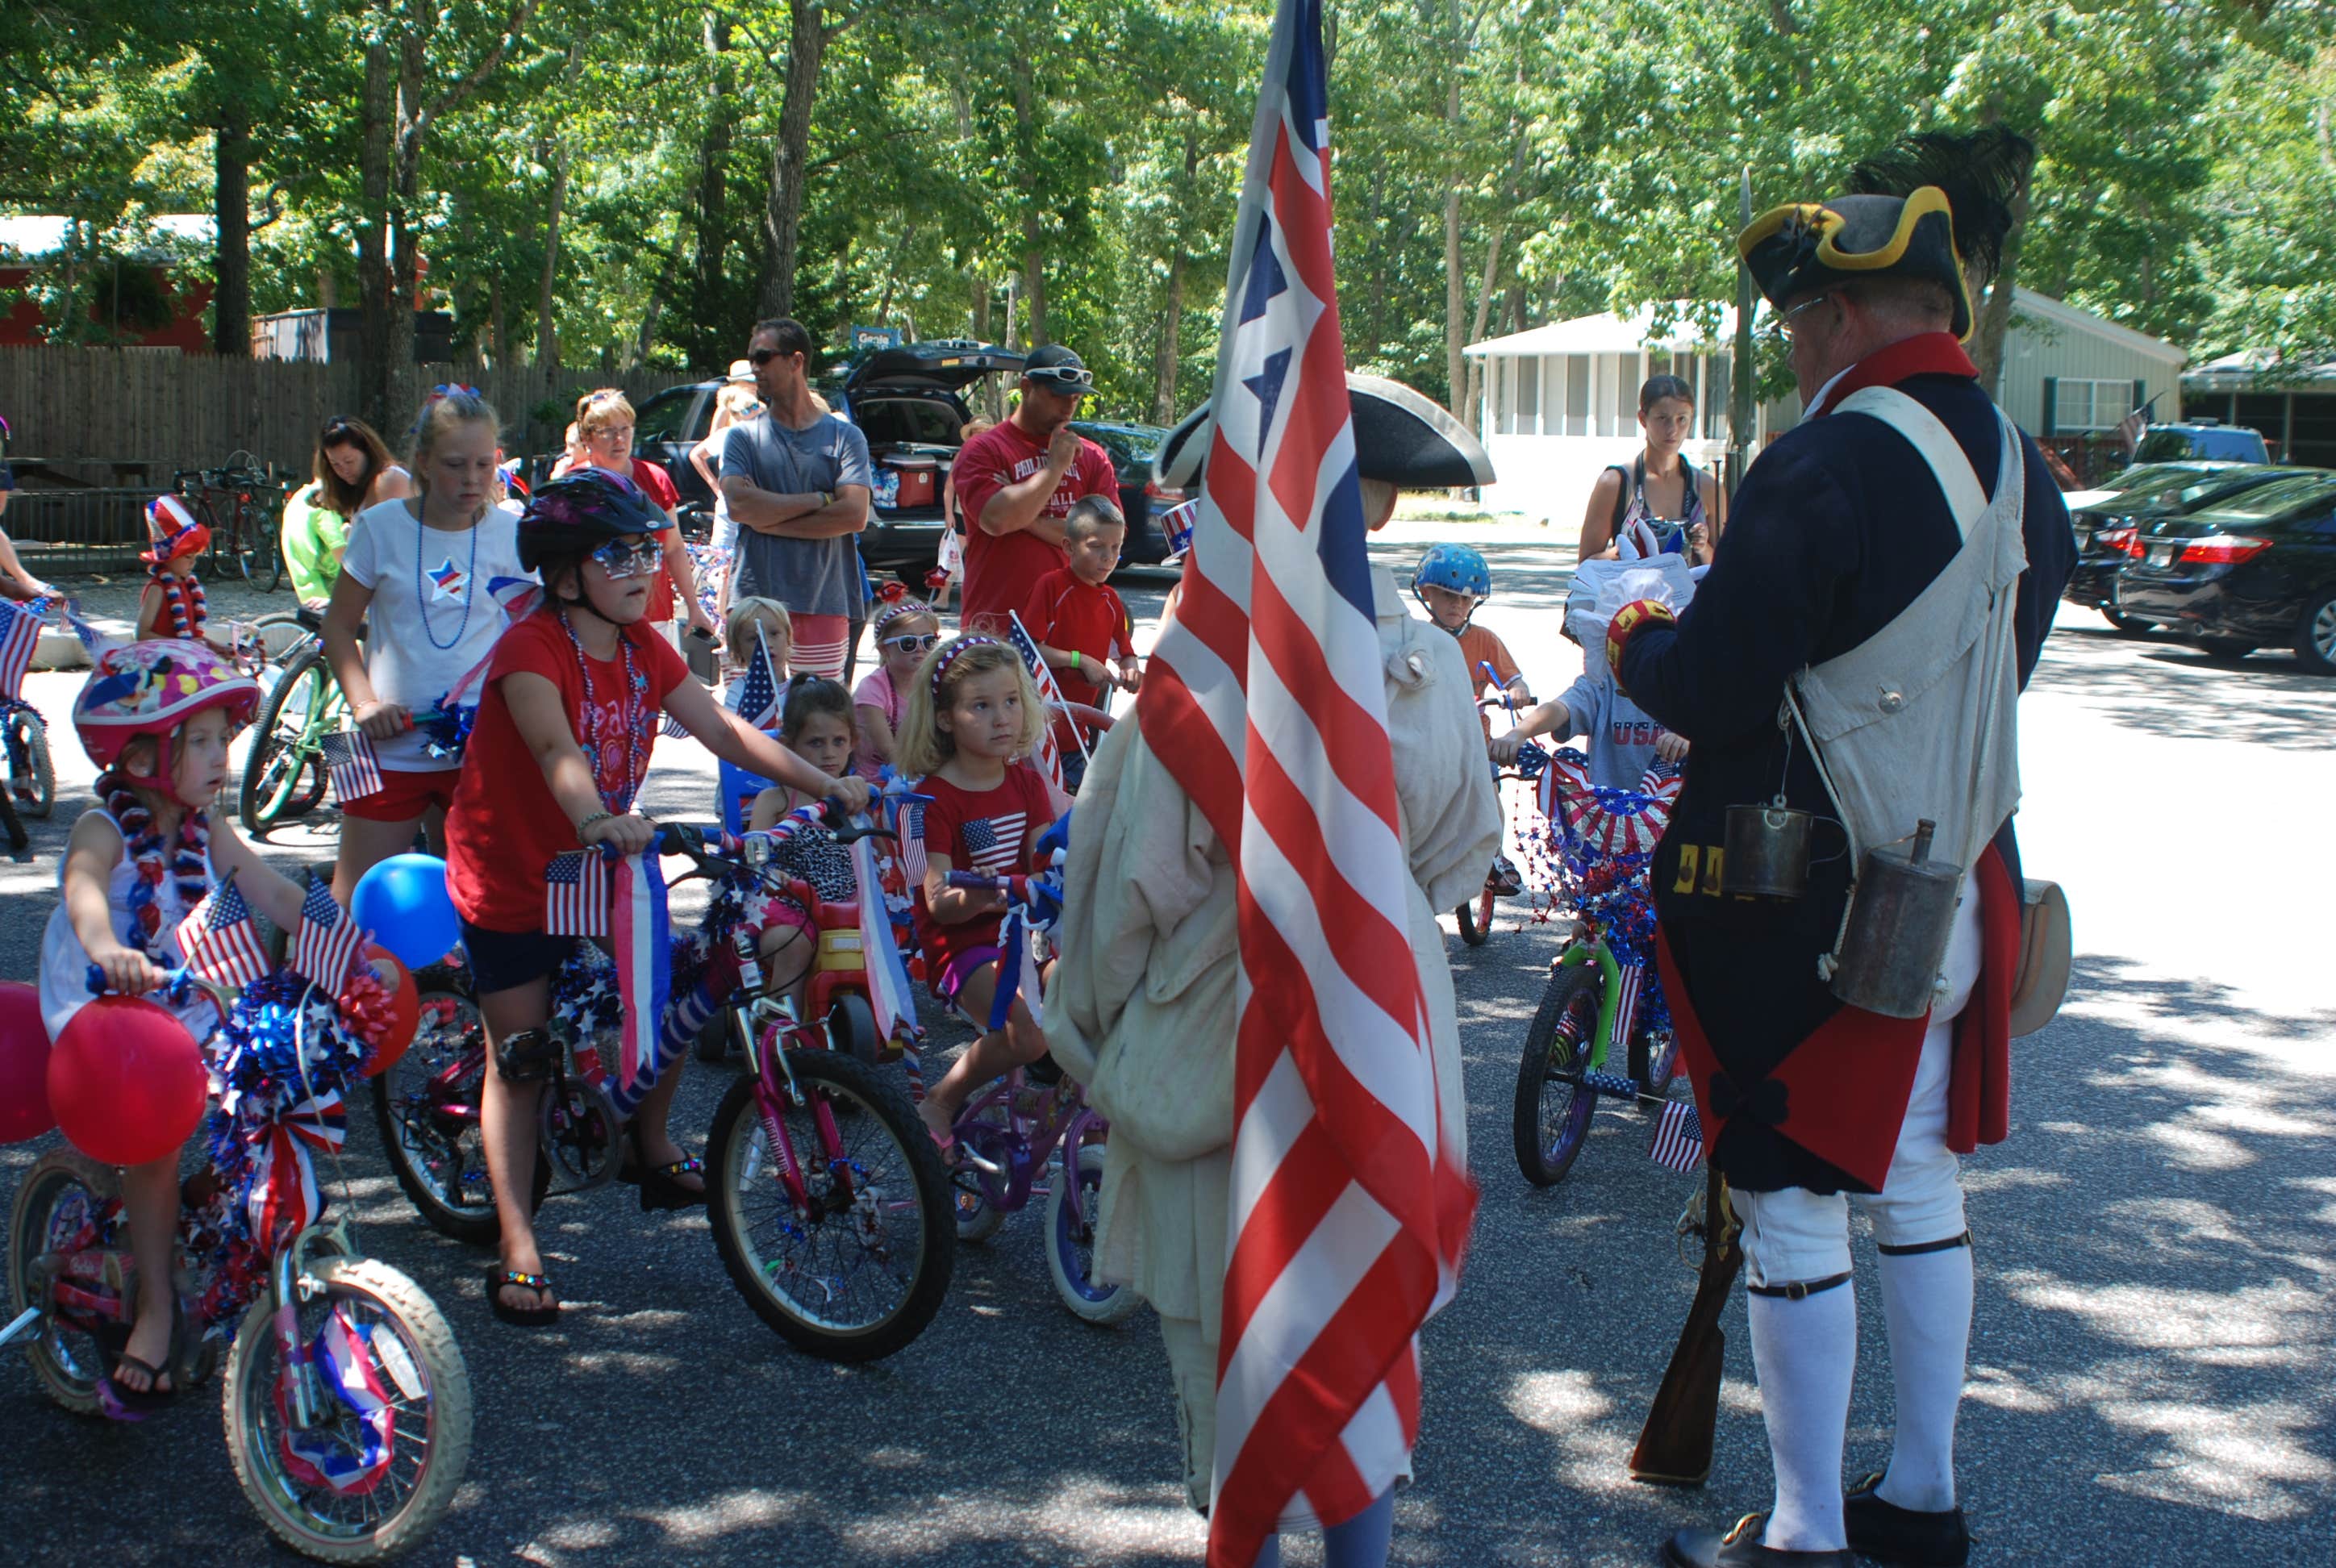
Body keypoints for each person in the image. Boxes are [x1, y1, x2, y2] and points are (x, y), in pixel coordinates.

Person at [1607, 131, 2075, 1568]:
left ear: (1855, 313)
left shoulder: (1821, 463)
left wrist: (1632, 635)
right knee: (1922, 1184)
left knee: (1794, 1204)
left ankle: (1806, 1530)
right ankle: (1920, 1497)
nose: (1800, 335)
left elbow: (1716, 687)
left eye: (1810, 312)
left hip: (1798, 895)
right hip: (1955, 885)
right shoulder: (2023, 469)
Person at [1047, 375, 1500, 1564]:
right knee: (1360, 1342)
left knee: (1224, 1351)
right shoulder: (1432, 666)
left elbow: (1121, 915)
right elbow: (1457, 854)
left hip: (1224, 1038)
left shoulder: (1192, 687)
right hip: (1378, 1024)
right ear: (1384, 510)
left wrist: (1096, 1032)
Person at [441, 469, 869, 1326]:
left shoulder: (644, 646)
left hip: (598, 864)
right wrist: (596, 814)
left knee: (677, 983)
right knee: (519, 1058)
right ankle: (520, 1243)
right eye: (619, 553)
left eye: (649, 549)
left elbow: (723, 729)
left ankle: (649, 1141)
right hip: (517, 872)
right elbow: (557, 749)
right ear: (565, 574)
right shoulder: (532, 649)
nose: (643, 567)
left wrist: (825, 782)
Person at [40, 640, 309, 1412]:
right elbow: (83, 888)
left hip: (187, 989)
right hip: (109, 1001)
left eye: (225, 736)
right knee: (155, 1143)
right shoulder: (107, 826)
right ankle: (156, 1306)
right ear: (141, 754)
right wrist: (108, 948)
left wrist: (345, 934)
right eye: (201, 740)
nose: (223, 753)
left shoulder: (203, 828)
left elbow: (269, 891)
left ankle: (198, 1201)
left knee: (274, 1096)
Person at [321, 389, 530, 904]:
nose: (473, 479)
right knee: (354, 901)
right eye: (456, 465)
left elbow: (533, 637)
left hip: (479, 748)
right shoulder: (378, 525)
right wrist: (364, 704)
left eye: (485, 464)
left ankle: (452, 984)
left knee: (474, 900)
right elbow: (338, 627)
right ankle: (339, 982)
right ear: (423, 463)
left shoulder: (514, 534)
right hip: (385, 748)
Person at [896, 635, 1057, 1151]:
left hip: (1026, 934)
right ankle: (942, 1099)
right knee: (1026, 1037)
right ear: (945, 719)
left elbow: (1044, 860)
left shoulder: (1027, 784)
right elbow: (938, 901)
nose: (1002, 718)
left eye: (1011, 701)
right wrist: (990, 893)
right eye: (981, 706)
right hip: (962, 945)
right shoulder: (928, 802)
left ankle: (1062, 1100)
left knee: (1101, 990)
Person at [720, 318, 874, 681]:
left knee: (818, 723)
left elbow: (853, 515)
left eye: (763, 357)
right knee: (751, 724)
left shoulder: (845, 438)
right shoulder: (742, 438)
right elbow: (739, 506)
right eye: (751, 359)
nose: (754, 368)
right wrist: (821, 499)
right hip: (754, 602)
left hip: (825, 600)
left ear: (795, 361)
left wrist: (767, 517)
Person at [949, 344, 1116, 633]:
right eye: (1058, 396)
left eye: (1075, 398)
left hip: (1069, 629)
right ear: (1026, 387)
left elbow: (1103, 540)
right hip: (997, 627)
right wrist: (1054, 469)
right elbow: (997, 520)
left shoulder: (1092, 457)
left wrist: (1025, 517)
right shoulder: (984, 449)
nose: (1068, 407)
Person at [744, 677, 866, 1020]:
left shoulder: (855, 798)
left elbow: (883, 852)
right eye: (815, 743)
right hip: (789, 907)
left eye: (838, 741)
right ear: (790, 746)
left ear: (853, 742)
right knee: (794, 944)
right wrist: (769, 872)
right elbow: (754, 856)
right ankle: (782, 1030)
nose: (829, 753)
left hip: (847, 910)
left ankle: (889, 1022)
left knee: (881, 947)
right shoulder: (777, 800)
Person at [1411, 541, 1529, 893]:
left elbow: (1513, 678)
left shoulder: (1484, 640)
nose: (1457, 605)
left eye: (1465, 599)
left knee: (1490, 794)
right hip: (1427, 739)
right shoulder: (1418, 636)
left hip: (1475, 741)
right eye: (1447, 596)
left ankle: (1496, 857)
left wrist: (1517, 690)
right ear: (1427, 593)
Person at [572, 388, 714, 651]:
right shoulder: (573, 487)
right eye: (608, 431)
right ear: (587, 438)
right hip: (594, 616)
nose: (619, 438)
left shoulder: (655, 478)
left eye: (625, 429)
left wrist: (694, 606)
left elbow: (672, 547)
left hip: (653, 615)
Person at [1017, 494, 1137, 789]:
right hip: (1035, 732)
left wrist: (1131, 669)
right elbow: (1027, 650)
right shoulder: (1052, 586)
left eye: (1116, 547)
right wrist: (1079, 660)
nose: (1108, 557)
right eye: (1096, 547)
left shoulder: (1111, 600)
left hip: (1077, 734)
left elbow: (1124, 652)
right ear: (1069, 547)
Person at [1582, 374, 1725, 565]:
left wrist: (1702, 546)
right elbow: (1585, 566)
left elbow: (1726, 568)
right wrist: (1625, 551)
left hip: (1692, 594)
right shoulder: (1616, 484)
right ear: (1643, 419)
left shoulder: (1708, 487)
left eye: (1682, 419)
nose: (1672, 430)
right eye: (1662, 418)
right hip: (1633, 595)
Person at [688, 364, 765, 623]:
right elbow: (705, 450)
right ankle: (718, 620)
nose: (754, 385)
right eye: (749, 382)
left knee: (736, 562)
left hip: (747, 503)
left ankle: (729, 619)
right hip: (734, 503)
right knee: (723, 563)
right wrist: (715, 484)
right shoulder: (732, 421)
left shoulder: (755, 420)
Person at [133, 496, 241, 656]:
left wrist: (213, 646)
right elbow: (142, 635)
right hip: (163, 664)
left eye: (195, 557)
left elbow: (192, 636)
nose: (192, 563)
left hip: (185, 660)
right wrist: (185, 646)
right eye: (187, 557)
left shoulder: (187, 585)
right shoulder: (157, 589)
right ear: (169, 558)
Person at [853, 591, 941, 780]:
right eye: (908, 643)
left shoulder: (936, 681)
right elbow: (889, 752)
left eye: (928, 641)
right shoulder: (872, 689)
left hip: (924, 769)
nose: (920, 648)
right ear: (884, 649)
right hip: (878, 781)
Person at [931, 415, 992, 616]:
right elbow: (949, 487)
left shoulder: (995, 454)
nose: (979, 434)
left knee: (984, 561)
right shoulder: (962, 455)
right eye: (976, 431)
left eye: (983, 431)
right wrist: (948, 514)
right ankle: (942, 598)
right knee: (950, 557)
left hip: (987, 515)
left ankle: (982, 603)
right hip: (962, 514)